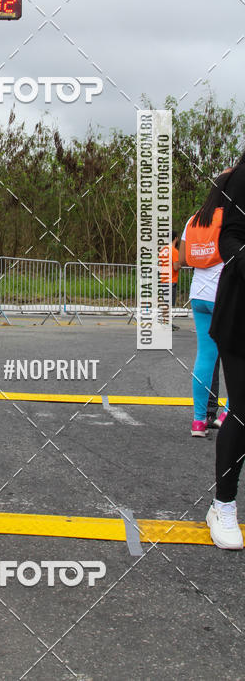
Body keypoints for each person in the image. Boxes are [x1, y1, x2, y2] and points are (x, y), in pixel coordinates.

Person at [207, 154, 245, 549]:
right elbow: (229, 239)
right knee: (244, 411)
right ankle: (224, 505)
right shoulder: (242, 178)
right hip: (240, 318)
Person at [179, 180, 227, 438]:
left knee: (205, 357)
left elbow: (184, 259)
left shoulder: (194, 219)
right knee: (236, 355)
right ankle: (228, 412)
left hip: (198, 294)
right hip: (223, 294)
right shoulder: (229, 217)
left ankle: (198, 421)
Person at [159, 231, 180, 330]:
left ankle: (166, 322)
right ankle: (167, 324)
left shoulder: (163, 250)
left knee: (166, 303)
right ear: (175, 238)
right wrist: (181, 264)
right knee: (169, 304)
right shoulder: (174, 251)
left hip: (164, 279)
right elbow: (176, 267)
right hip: (171, 280)